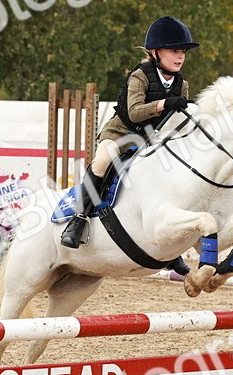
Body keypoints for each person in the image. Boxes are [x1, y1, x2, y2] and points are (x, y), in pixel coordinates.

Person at [60, 16, 199, 249]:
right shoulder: (140, 75)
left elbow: (175, 122)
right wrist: (164, 104)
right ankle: (78, 219)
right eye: (174, 51)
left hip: (150, 139)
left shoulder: (181, 85)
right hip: (121, 131)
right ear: (156, 52)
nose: (180, 57)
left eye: (183, 52)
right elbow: (134, 113)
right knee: (103, 160)